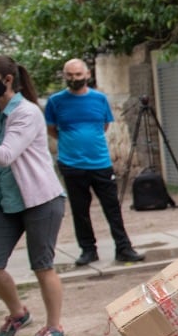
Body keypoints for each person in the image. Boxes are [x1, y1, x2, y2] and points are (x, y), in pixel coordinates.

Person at [0, 55, 71, 336]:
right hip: (5, 201)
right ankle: (18, 313)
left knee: (42, 266)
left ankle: (55, 327)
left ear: (7, 80)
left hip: (40, 199)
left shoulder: (27, 112)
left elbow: (6, 154)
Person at [43, 59, 146, 266]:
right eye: (70, 75)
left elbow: (105, 125)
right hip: (71, 164)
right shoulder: (55, 101)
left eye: (78, 75)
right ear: (65, 76)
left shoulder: (100, 99)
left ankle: (124, 248)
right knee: (80, 210)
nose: (74, 79)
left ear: (87, 74)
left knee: (112, 207)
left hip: (100, 163)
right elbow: (51, 129)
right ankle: (88, 250)